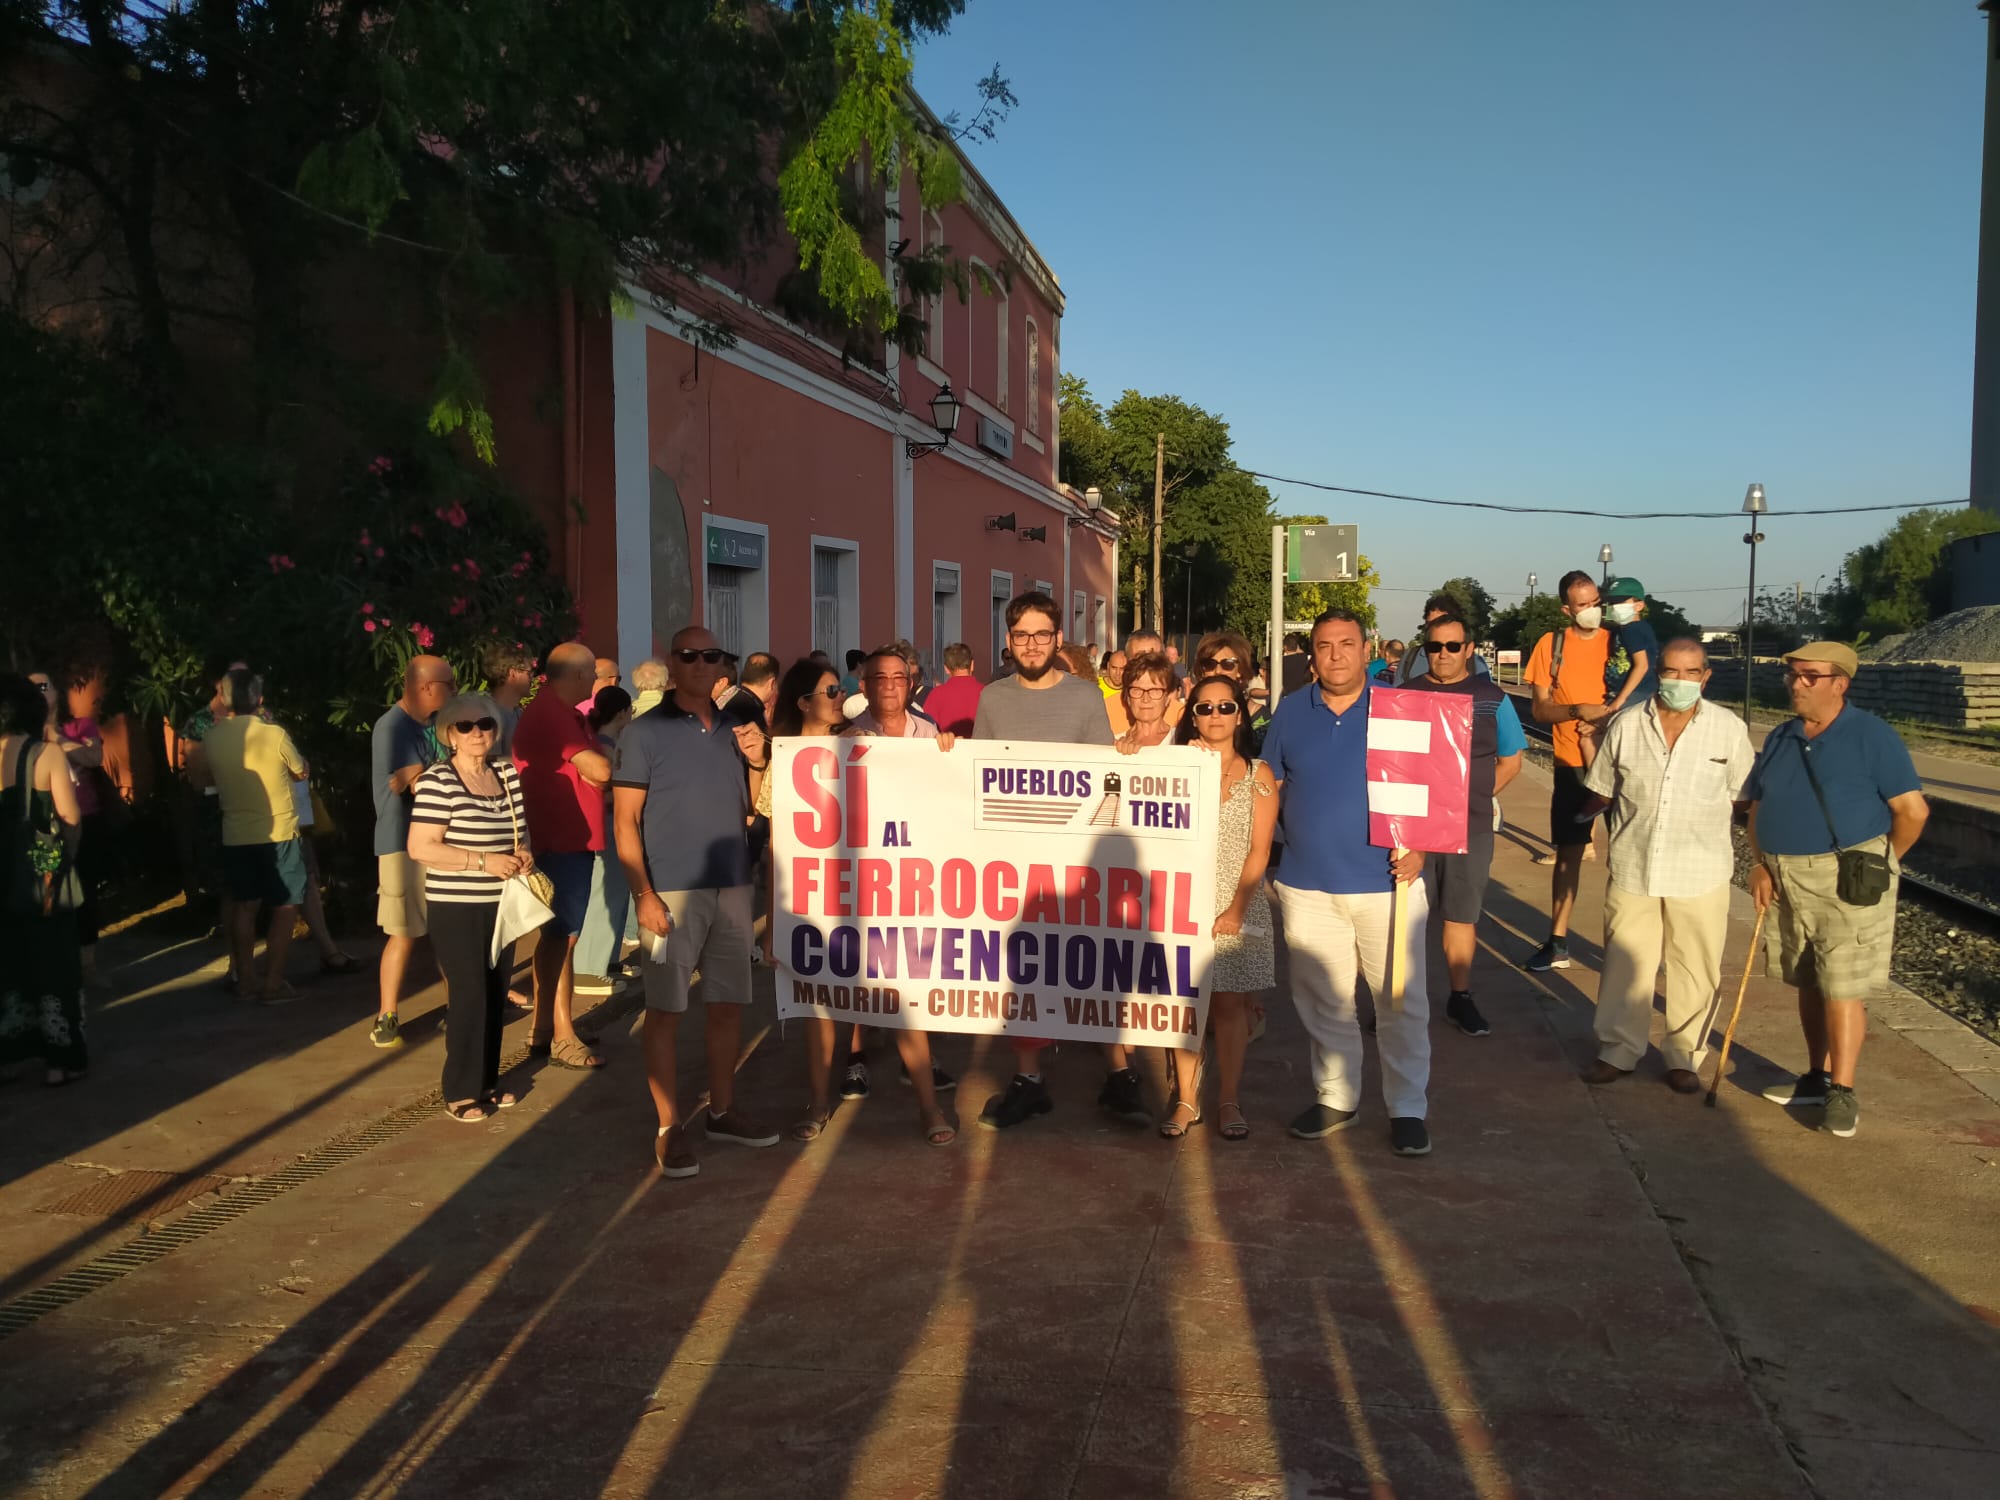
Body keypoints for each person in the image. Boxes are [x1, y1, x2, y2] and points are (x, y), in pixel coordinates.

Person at [1263, 609, 1434, 1156]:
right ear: (1310, 654)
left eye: (1346, 644)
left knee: (1399, 1004)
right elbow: (1267, 783)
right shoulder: (1290, 712)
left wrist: (1422, 849)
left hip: (1388, 885)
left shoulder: (1401, 710)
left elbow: (1437, 785)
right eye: (1323, 645)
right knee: (1323, 1002)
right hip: (1308, 886)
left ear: (1368, 650)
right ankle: (1337, 1097)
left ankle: (1407, 1107)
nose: (1334, 654)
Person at [614, 626, 780, 1177]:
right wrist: (644, 893)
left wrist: (758, 761)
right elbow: (625, 820)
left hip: (732, 883)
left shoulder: (738, 725)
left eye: (713, 656)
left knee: (728, 1005)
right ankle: (668, 1127)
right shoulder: (643, 732)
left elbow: (754, 806)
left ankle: (723, 1110)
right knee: (665, 1011)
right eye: (691, 656)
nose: (703, 664)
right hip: (672, 891)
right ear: (672, 662)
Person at [1745, 642, 1928, 1139]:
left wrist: (1879, 865)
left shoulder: (1872, 736)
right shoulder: (1783, 737)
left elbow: (1912, 812)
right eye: (1792, 675)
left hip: (1847, 879)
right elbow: (1757, 805)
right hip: (1785, 876)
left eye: (1808, 676)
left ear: (1838, 683)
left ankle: (1842, 1092)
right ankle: (1816, 1076)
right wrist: (1760, 864)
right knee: (1807, 978)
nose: (1796, 683)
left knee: (1842, 986)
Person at [972, 591, 1140, 1130]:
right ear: (1007, 640)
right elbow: (979, 779)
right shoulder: (992, 699)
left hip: (1076, 860)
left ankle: (1119, 1074)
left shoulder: (1087, 698)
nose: (1032, 644)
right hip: (1014, 862)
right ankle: (1029, 1079)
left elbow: (1101, 777)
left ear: (1058, 639)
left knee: (1093, 961)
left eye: (1042, 634)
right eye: (1021, 635)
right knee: (1023, 969)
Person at [1575, 639, 1754, 1093]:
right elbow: (1603, 788)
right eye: (1671, 672)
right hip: (1636, 864)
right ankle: (1618, 1050)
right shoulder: (1627, 725)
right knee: (1624, 961)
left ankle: (1684, 1055)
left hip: (1701, 870)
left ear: (1705, 677)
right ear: (1658, 673)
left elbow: (1743, 799)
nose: (1680, 681)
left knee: (1695, 964)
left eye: (1690, 673)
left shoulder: (1728, 729)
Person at [407, 694, 533, 1122]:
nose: (477, 732)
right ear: (449, 735)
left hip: (503, 901)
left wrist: (523, 852)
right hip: (457, 904)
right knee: (469, 994)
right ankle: (460, 1090)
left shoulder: (506, 773)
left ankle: (486, 1081)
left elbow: (520, 830)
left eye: (485, 724)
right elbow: (421, 847)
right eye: (465, 726)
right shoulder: (438, 781)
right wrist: (482, 862)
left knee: (497, 992)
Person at [1164, 674, 1276, 1141]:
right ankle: (1187, 1098)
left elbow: (1259, 850)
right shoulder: (1175, 766)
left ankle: (1228, 1098)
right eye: (1205, 708)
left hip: (1237, 901)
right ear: (1192, 715)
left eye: (1225, 707)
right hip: (1181, 902)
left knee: (1229, 1007)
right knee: (1183, 1007)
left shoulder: (1259, 775)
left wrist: (1235, 908)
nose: (1215, 716)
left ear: (1240, 714)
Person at [1402, 612, 1525, 1036]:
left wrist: (1472, 798)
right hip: (1412, 827)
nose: (1444, 655)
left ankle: (1460, 997)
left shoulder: (1492, 697)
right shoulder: (1405, 694)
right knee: (1406, 916)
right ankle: (1399, 1000)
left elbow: (1511, 760)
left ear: (1469, 650)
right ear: (1425, 650)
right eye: (1435, 647)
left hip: (1467, 827)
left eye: (1453, 646)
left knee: (1461, 914)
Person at [513, 642, 611, 1066]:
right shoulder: (553, 713)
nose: (598, 680)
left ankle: (549, 1025)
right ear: (576, 675)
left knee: (559, 937)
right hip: (560, 838)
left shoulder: (563, 713)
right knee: (562, 938)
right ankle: (560, 1033)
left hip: (569, 837)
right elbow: (601, 770)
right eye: (594, 672)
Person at [1522, 570, 1614, 971]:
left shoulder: (1619, 642)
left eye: (1595, 602)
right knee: (1569, 853)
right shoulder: (1551, 644)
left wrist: (1608, 719)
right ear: (1567, 609)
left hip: (1621, 759)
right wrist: (1578, 711)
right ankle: (1558, 942)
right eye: (1582, 605)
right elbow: (1540, 709)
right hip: (1571, 763)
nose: (1591, 611)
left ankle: (1633, 946)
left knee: (1631, 854)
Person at [200, 670, 310, 1004]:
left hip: (236, 833)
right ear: (260, 700)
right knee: (286, 904)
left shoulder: (212, 737)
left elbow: (206, 776)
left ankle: (246, 978)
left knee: (244, 906)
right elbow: (300, 769)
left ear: (225, 699)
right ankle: (273, 983)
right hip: (279, 831)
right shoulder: (274, 734)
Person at [0, 674, 87, 1085]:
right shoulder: (45, 754)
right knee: (54, 962)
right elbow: (70, 819)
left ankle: (13, 1054)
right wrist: (64, 857)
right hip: (40, 876)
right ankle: (59, 1060)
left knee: (10, 963)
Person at [370, 655, 456, 1048]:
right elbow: (415, 784)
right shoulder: (393, 727)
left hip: (441, 842)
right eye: (449, 684)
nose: (453, 691)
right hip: (401, 844)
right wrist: (422, 776)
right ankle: (387, 1015)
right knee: (403, 932)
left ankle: (458, 1007)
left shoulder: (434, 727)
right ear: (426, 687)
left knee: (446, 929)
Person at [574, 687, 637, 991]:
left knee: (616, 892)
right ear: (623, 712)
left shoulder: (602, 741)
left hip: (612, 823)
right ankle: (588, 966)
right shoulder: (603, 746)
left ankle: (607, 958)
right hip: (606, 824)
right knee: (604, 893)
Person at [1599, 577, 1658, 724]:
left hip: (1635, 694)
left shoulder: (1632, 630)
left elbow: (1642, 665)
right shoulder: (1626, 629)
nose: (1615, 607)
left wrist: (1620, 700)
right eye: (1612, 603)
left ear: (1639, 605)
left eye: (1621, 602)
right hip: (1632, 694)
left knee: (1592, 736)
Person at [1398, 595, 1493, 683]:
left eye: (1440, 622)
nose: (1434, 628)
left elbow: (1487, 696)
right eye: (1430, 623)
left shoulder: (1476, 663)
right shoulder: (1410, 658)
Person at [1113, 651, 1176, 753]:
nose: (1145, 699)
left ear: (1167, 697)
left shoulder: (1181, 741)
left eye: (1155, 691)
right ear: (1128, 697)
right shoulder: (1114, 745)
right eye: (1137, 690)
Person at [484, 642, 535, 759]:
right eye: (529, 672)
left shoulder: (517, 713)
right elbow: (491, 764)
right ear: (513, 674)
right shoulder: (489, 716)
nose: (532, 677)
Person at [924, 643, 983, 737]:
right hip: (980, 750)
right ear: (972, 665)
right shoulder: (987, 693)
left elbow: (927, 729)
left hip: (947, 750)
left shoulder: (936, 695)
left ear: (946, 669)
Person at [1279, 632, 1310, 698]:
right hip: (1302, 694)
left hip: (1287, 695)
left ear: (1285, 647)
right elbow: (1301, 651)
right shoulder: (1303, 657)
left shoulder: (1282, 662)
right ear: (1297, 646)